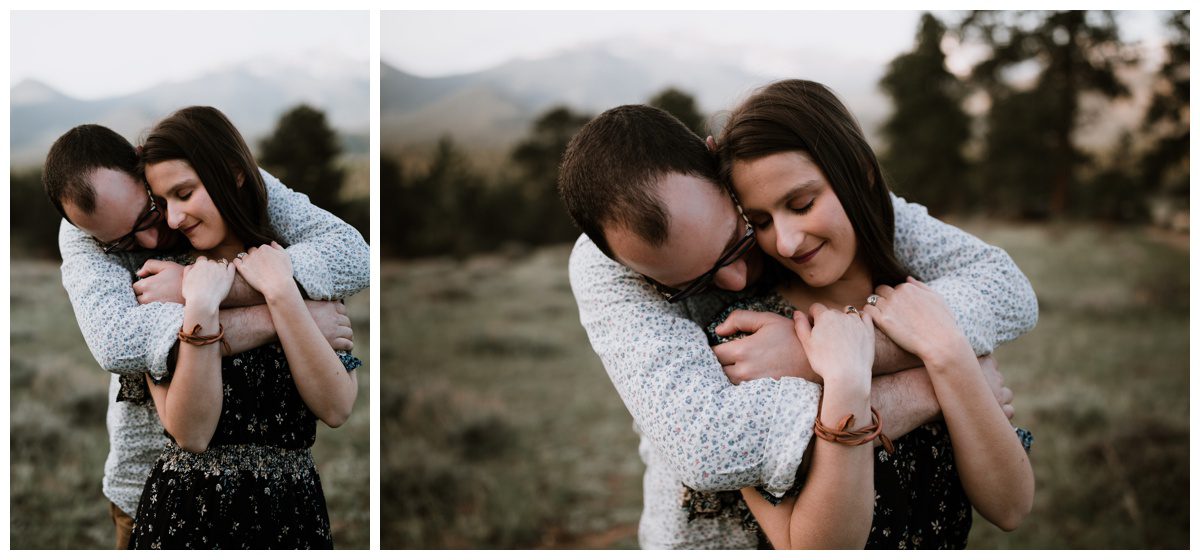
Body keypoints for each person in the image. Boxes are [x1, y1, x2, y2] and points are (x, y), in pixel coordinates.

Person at [558, 103, 1037, 548]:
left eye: (737, 239)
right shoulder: (726, 331)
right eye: (688, 285)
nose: (735, 277)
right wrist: (937, 383)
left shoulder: (833, 204)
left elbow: (1006, 292)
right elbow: (711, 445)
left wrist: (836, 349)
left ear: (716, 163)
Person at [711, 79, 1034, 548]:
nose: (786, 241)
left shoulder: (919, 302)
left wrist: (947, 353)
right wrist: (933, 383)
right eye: (760, 222)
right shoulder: (746, 340)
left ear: (860, 173)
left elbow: (1010, 506)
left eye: (801, 204)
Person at [42, 121, 368, 548]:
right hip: (151, 491)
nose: (154, 234)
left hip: (291, 511)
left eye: (150, 211)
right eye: (121, 242)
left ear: (144, 169)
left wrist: (239, 287)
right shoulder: (127, 265)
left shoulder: (205, 178)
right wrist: (285, 317)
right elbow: (121, 343)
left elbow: (353, 256)